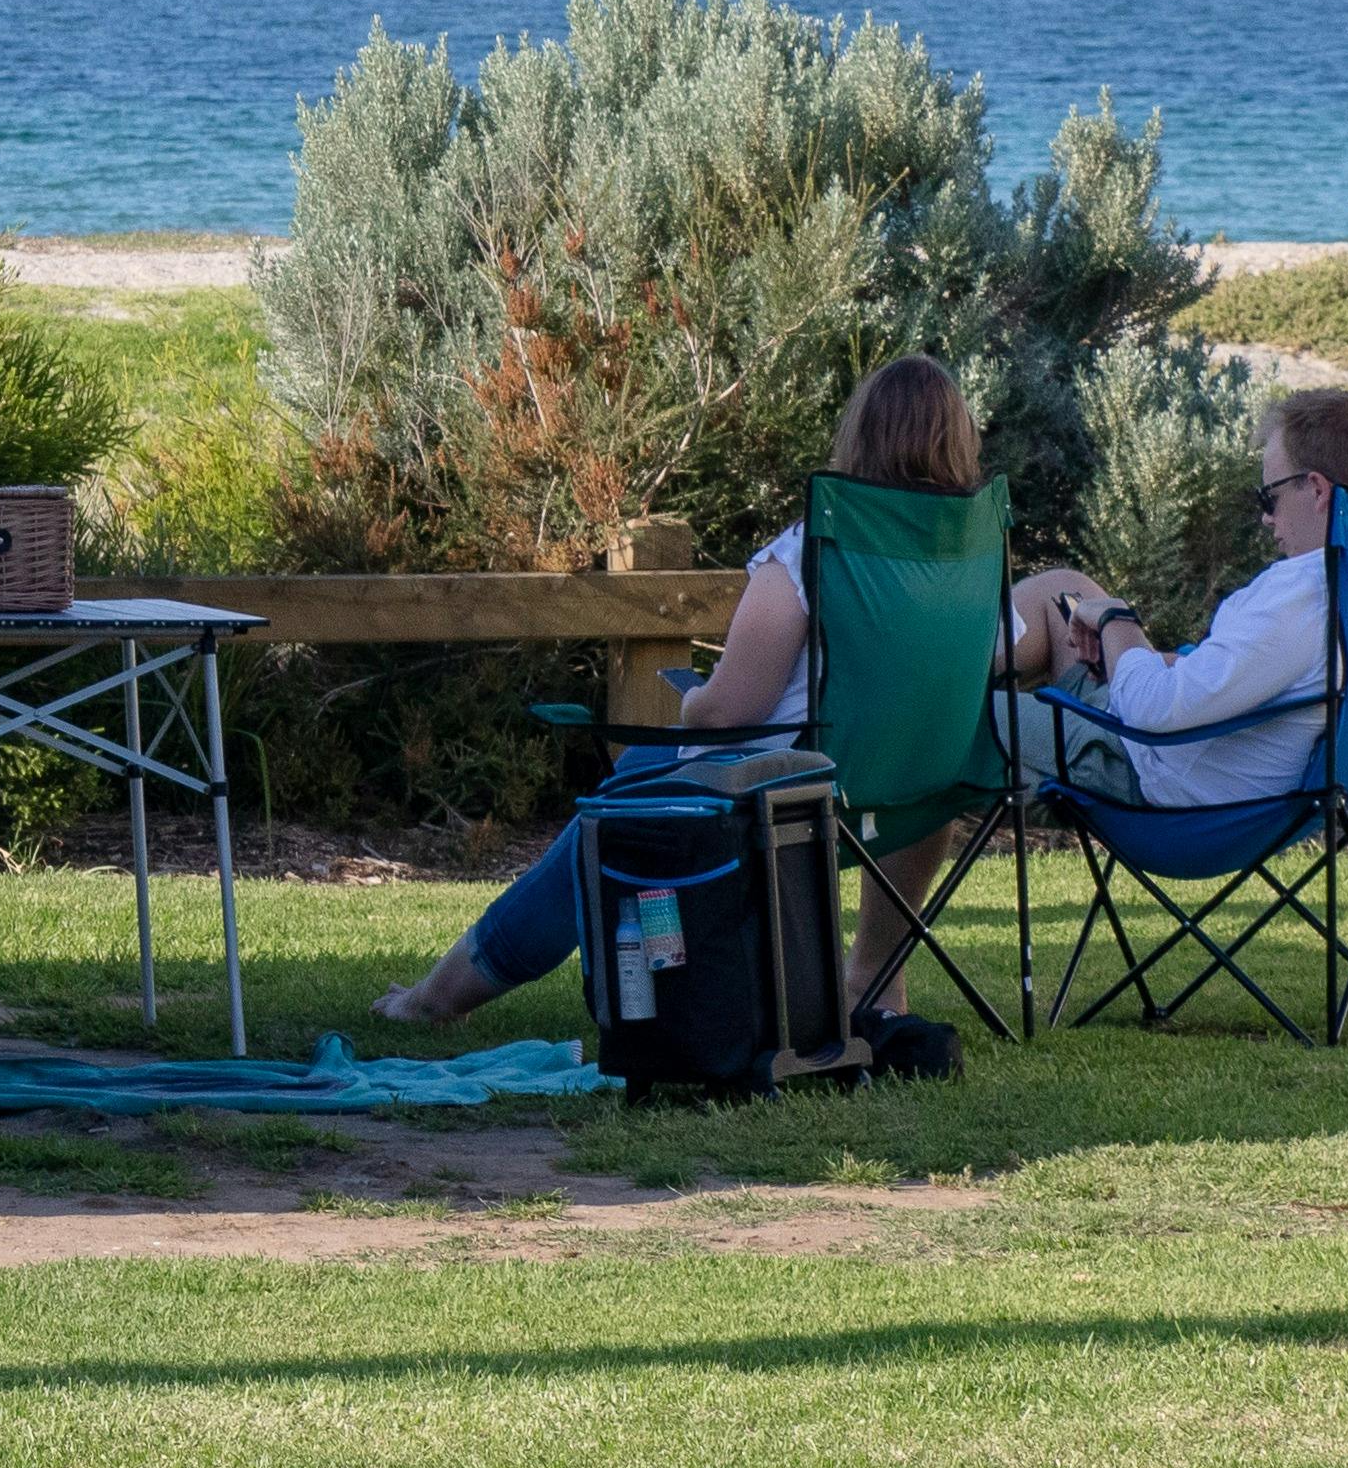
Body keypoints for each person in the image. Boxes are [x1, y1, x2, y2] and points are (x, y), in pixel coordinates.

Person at [370, 355, 1012, 1074]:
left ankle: (438, 998)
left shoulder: (814, 550)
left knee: (606, 820)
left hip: (783, 792)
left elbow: (726, 713)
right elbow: (989, 663)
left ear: (858, 436)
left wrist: (693, 698)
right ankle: (875, 982)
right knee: (900, 788)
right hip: (918, 789)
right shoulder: (977, 559)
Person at [1004, 387, 1348, 811]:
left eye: (1270, 497)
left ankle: (950, 693)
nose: (1266, 517)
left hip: (1146, 771)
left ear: (1318, 491)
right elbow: (1258, 676)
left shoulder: (1300, 601)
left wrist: (1116, 620)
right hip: (1211, 763)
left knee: (963, 716)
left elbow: (1150, 710)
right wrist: (1151, 658)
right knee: (1061, 588)